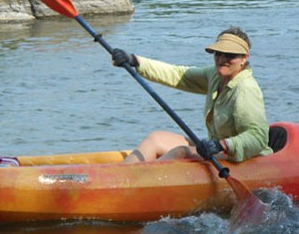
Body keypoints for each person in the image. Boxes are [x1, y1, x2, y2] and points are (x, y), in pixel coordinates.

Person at [111, 26, 272, 164]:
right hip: (217, 149)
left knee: (181, 152)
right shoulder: (215, 75)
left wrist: (221, 145)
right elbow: (178, 74)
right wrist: (135, 61)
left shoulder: (245, 89)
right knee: (156, 138)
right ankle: (119, 178)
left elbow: (258, 138)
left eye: (230, 55)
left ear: (244, 58)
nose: (222, 59)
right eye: (218, 54)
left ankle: (140, 184)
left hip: (243, 158)